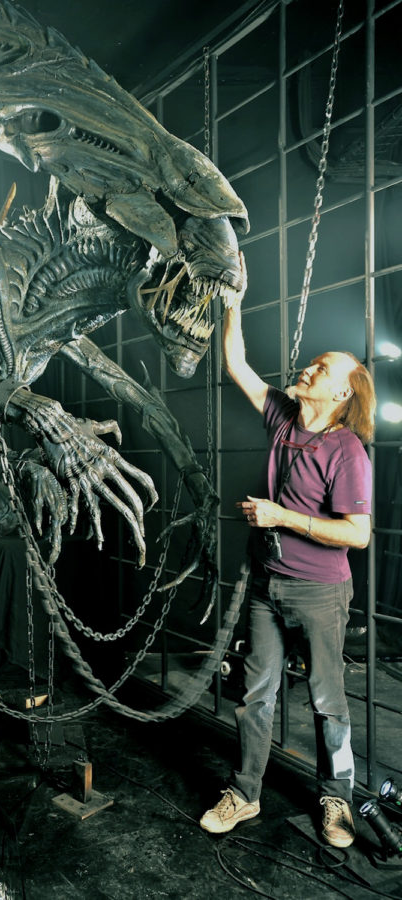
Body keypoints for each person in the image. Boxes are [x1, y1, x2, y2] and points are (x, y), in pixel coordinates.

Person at [200, 257, 375, 848]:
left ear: (342, 391)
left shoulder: (347, 451)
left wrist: (283, 518)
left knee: (328, 701)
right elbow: (236, 365)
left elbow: (357, 534)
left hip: (320, 592)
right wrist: (233, 300)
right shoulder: (284, 417)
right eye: (312, 362)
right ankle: (244, 793)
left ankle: (336, 799)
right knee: (255, 695)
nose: (309, 368)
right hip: (266, 586)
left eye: (322, 368)